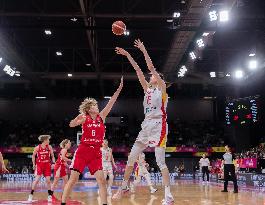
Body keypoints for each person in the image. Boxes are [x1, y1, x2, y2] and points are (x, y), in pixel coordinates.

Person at [113, 39, 174, 205]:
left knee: (161, 161)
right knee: (131, 157)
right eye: (151, 76)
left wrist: (144, 49)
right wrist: (127, 55)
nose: (151, 76)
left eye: (154, 75)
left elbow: (150, 68)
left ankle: (168, 195)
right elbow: (138, 70)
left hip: (159, 125)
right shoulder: (147, 89)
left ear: (159, 78)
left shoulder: (162, 88)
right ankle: (124, 186)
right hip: (146, 125)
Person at [61, 77, 123, 205]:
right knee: (73, 179)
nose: (97, 106)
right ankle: (63, 203)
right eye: (95, 105)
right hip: (83, 150)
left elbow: (111, 101)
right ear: (89, 109)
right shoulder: (85, 118)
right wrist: (76, 119)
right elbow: (71, 125)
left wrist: (119, 88)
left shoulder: (102, 117)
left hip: (96, 152)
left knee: (101, 180)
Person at [28, 135, 56, 202]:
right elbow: (33, 156)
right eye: (48, 140)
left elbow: (52, 156)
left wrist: (53, 163)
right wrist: (34, 164)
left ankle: (49, 195)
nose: (49, 141)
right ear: (45, 140)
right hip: (40, 165)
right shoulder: (37, 148)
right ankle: (31, 195)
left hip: (47, 165)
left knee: (48, 181)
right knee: (37, 180)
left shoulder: (49, 147)